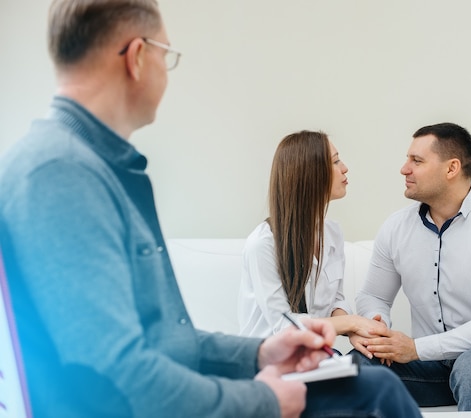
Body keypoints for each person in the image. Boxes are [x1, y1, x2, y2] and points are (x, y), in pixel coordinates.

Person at [0, 1, 423, 417]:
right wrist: (263, 402)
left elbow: (167, 341)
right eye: (167, 55)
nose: (167, 71)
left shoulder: (93, 168)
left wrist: (260, 352)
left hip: (177, 386)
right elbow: (119, 375)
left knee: (373, 386)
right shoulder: (62, 175)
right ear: (138, 57)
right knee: (375, 391)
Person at [353, 122, 471, 418]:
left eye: (417, 161)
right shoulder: (396, 228)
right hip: (434, 366)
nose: (404, 169)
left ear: (451, 168)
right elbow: (373, 295)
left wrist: (416, 349)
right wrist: (378, 326)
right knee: (356, 366)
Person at [238, 131, 388, 348]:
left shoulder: (332, 233)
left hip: (315, 356)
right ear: (311, 174)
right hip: (273, 361)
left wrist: (357, 331)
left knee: (377, 372)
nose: (344, 168)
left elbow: (335, 301)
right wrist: (352, 322)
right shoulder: (263, 244)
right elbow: (285, 326)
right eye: (335, 161)